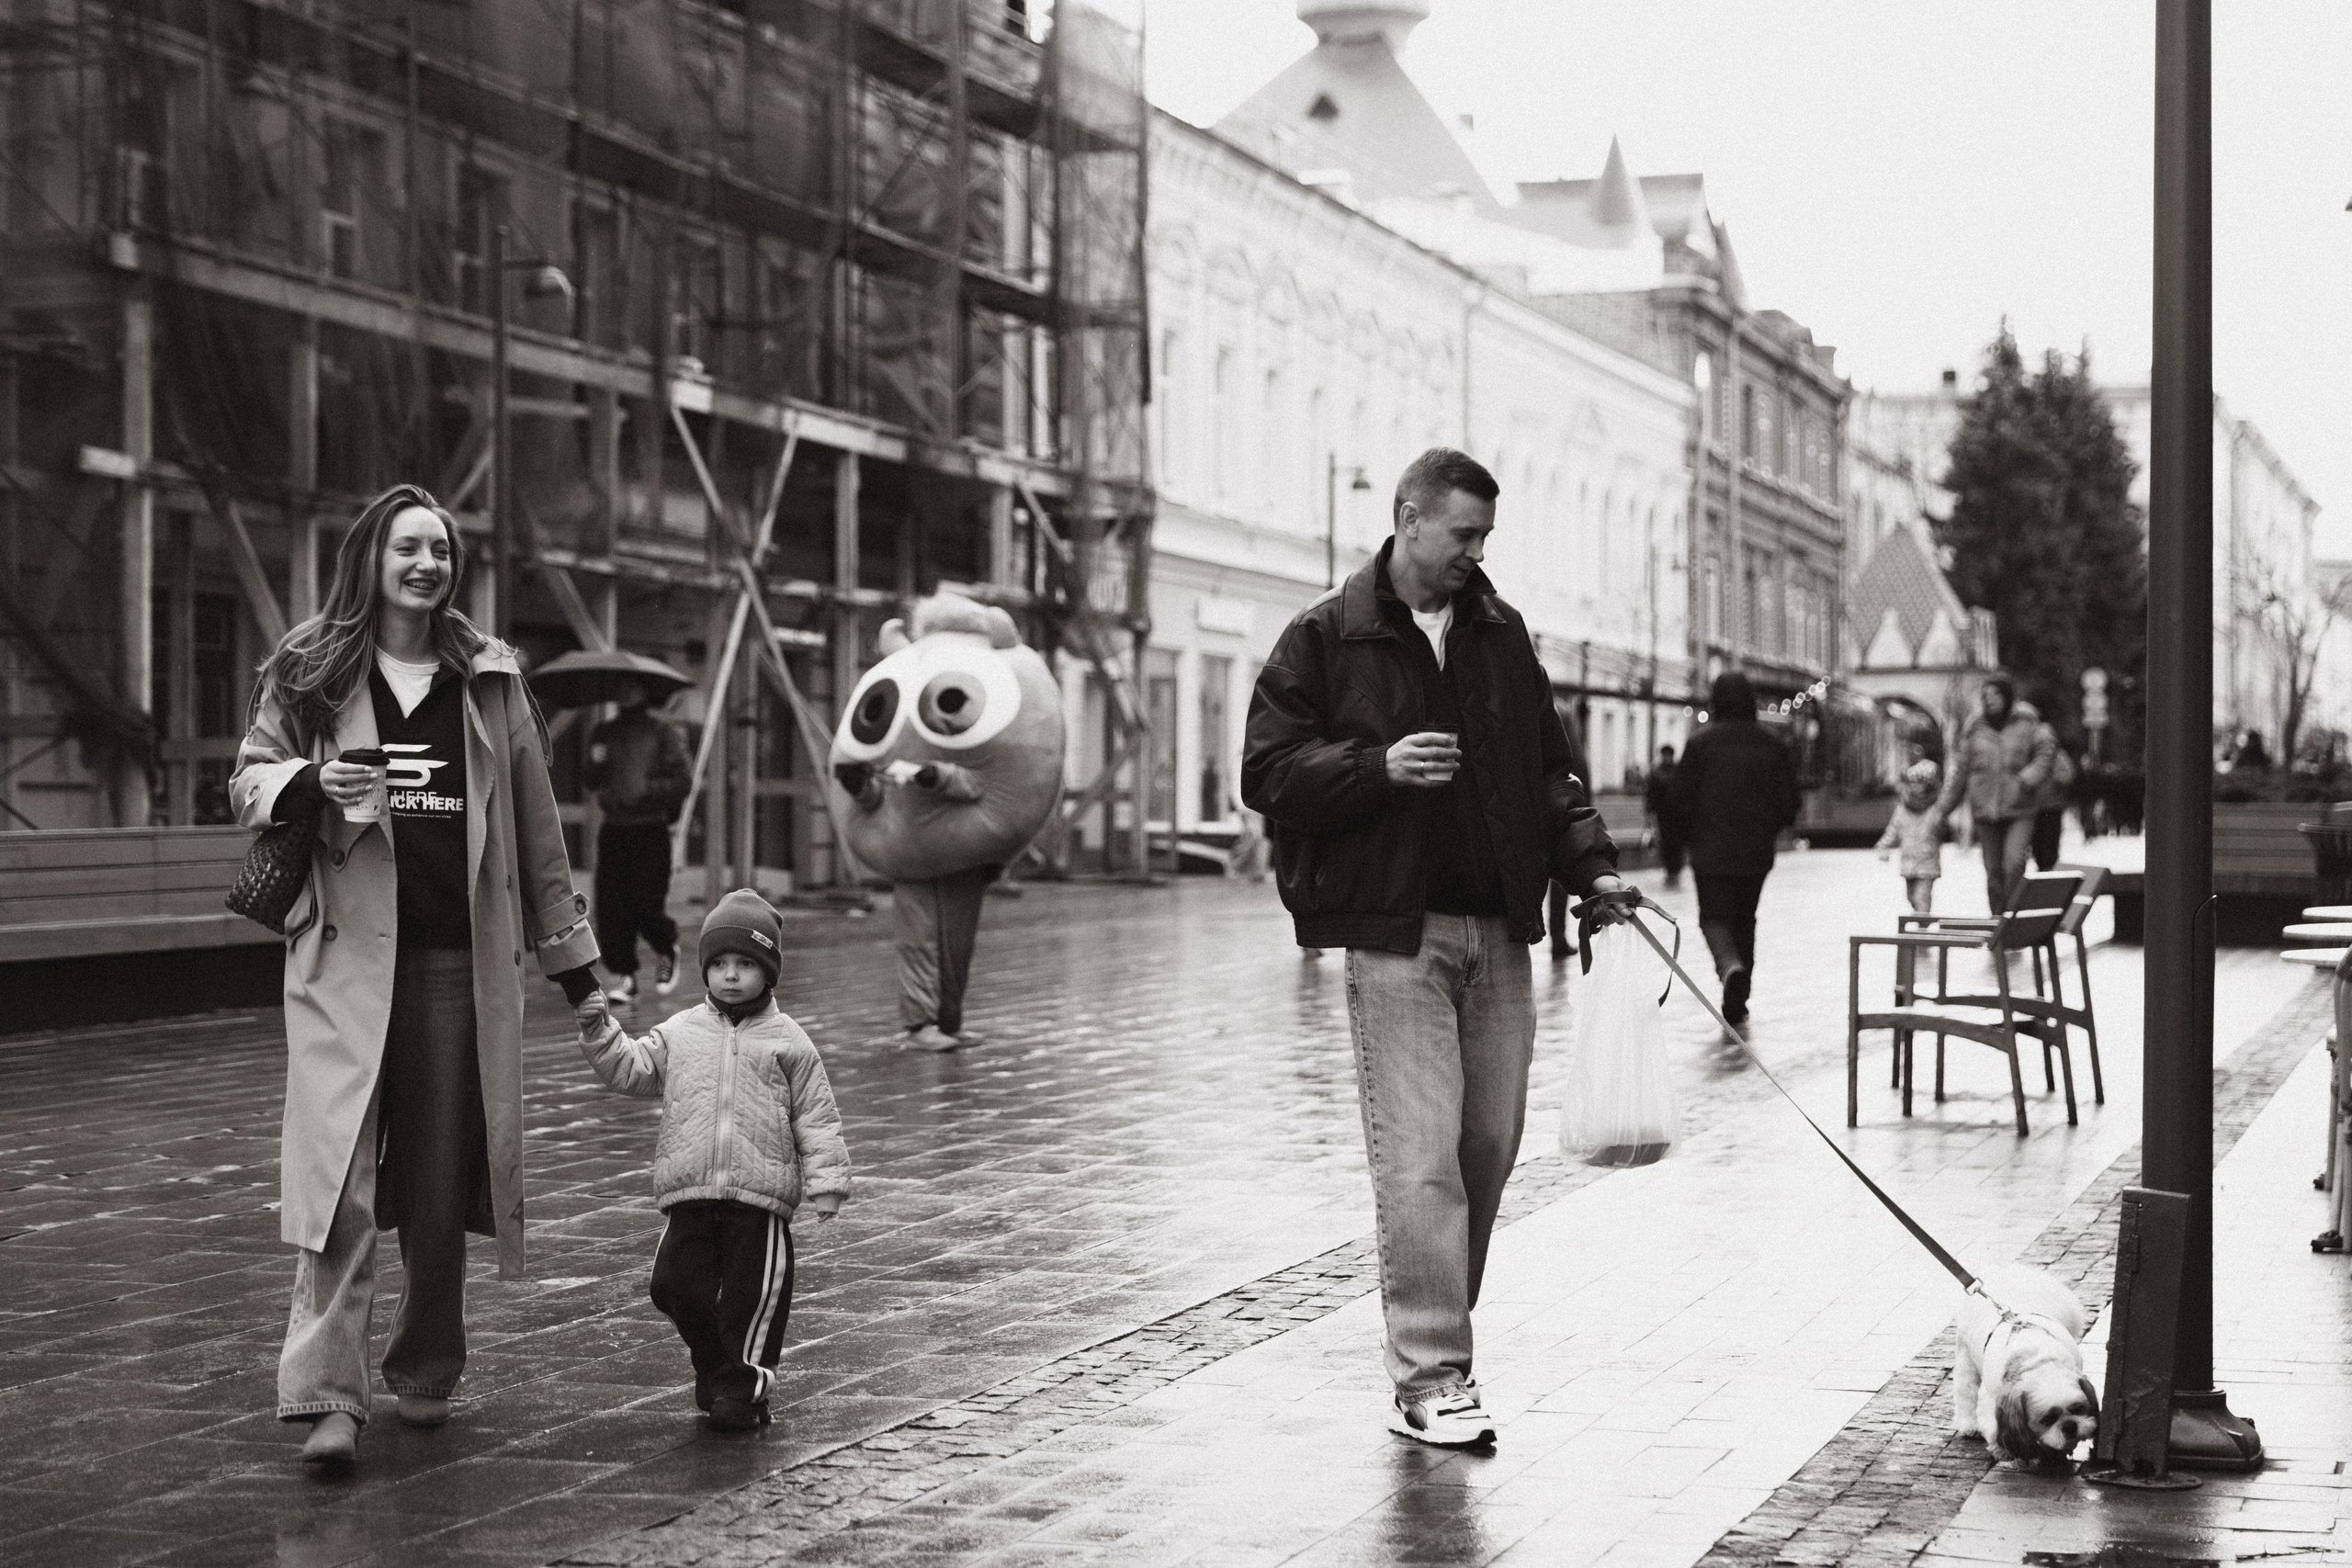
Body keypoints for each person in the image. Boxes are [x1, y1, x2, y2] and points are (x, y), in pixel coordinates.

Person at [1242, 446, 1633, 1450]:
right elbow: (1268, 774)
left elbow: (1551, 771)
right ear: (1408, 518)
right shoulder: (1325, 637)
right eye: (1462, 534)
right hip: (1395, 933)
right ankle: (1431, 1376)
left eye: (1484, 538)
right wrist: (1376, 767)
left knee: (1486, 1153)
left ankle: (1440, 1346)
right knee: (1420, 1162)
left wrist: (1592, 871)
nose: (1475, 554)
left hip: (1498, 929)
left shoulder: (1499, 636)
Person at [229, 484, 602, 1467]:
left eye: (440, 549)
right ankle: (326, 1397)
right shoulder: (311, 665)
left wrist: (578, 970)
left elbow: (537, 828)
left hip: (450, 962)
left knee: (438, 1177)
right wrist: (310, 782)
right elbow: (248, 774)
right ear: (373, 558)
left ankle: (427, 1368)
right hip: (341, 960)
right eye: (409, 548)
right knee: (337, 1179)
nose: (428, 564)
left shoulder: (489, 679)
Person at [573, 889, 850, 1432]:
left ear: (768, 970)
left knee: (753, 1301)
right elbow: (630, 1068)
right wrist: (598, 1030)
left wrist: (827, 1181)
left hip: (759, 1198)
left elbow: (816, 1115)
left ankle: (742, 1391)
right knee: (672, 1284)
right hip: (691, 1190)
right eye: (719, 963)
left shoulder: (789, 1042)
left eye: (745, 964)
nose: (729, 975)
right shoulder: (680, 1032)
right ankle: (717, 1366)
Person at [1665, 671, 1801, 1026]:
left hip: (1710, 850)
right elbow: (1790, 803)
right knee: (1745, 920)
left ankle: (1729, 967)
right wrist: (1768, 826)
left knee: (1713, 917)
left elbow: (1679, 800)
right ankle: (1738, 1000)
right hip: (1756, 852)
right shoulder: (1773, 746)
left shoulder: (1700, 745)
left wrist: (1682, 841)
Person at [586, 678, 690, 1005]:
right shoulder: (603, 732)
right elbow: (590, 780)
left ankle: (666, 946)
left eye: (631, 687)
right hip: (615, 828)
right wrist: (597, 762)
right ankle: (626, 977)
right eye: (620, 687)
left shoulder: (663, 732)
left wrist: (646, 792)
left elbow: (683, 780)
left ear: (645, 691)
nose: (624, 692)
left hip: (650, 828)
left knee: (646, 903)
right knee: (612, 907)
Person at [1934, 675, 2055, 917]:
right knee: (1993, 871)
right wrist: (1942, 810)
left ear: (2008, 697)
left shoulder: (2029, 724)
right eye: (1984, 695)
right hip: (1984, 810)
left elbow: (2046, 753)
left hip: (2020, 807)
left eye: (1995, 694)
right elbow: (1960, 772)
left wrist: (2027, 779)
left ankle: (2014, 915)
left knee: (2014, 863)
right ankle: (1998, 920)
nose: (1989, 700)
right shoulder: (1975, 729)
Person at [1877, 745, 1945, 914]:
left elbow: (1942, 827)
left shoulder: (1935, 808)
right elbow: (1894, 828)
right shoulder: (1904, 807)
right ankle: (1921, 919)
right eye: (1914, 783)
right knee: (1910, 897)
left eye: (1921, 783)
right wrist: (1884, 845)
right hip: (1908, 861)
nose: (1916, 787)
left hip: (1927, 861)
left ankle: (1922, 928)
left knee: (1922, 897)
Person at [2029, 710, 2076, 874]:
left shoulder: (2058, 756)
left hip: (2052, 806)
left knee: (2050, 842)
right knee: (2038, 844)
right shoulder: (2031, 756)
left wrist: (2054, 775)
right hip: (2034, 806)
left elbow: (2067, 775)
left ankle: (2049, 871)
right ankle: (2043, 869)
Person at [1644, 744, 1684, 886]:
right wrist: (1649, 811)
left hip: (1677, 814)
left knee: (1676, 842)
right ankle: (1670, 869)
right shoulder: (1658, 772)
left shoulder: (1678, 771)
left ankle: (1675, 869)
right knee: (1666, 841)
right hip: (1664, 814)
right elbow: (1651, 794)